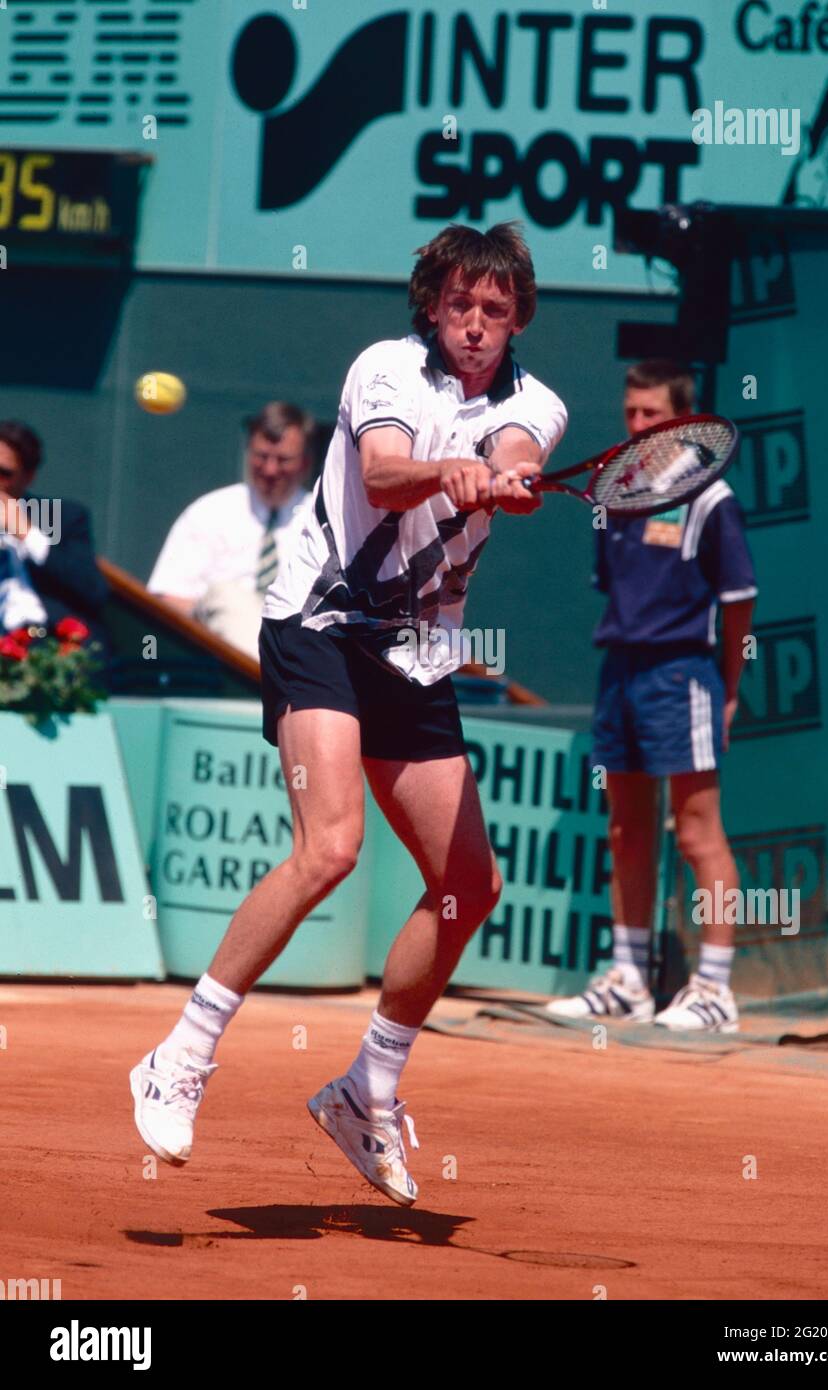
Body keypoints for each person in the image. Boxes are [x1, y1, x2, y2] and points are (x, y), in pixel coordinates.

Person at [130, 222, 568, 1204]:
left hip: (415, 652)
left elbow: (510, 444)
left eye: (494, 311)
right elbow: (381, 469)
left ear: (515, 320)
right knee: (328, 846)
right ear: (430, 305)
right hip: (317, 624)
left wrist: (504, 470)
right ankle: (180, 1054)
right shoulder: (383, 369)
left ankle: (365, 1087)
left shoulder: (537, 403)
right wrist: (444, 472)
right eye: (458, 304)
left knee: (468, 885)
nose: (474, 324)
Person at [547, 360, 756, 1032]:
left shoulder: (711, 500)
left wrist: (726, 689)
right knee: (626, 829)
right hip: (620, 672)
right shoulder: (611, 496)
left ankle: (716, 989)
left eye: (652, 414)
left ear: (683, 419)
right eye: (631, 412)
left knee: (697, 833)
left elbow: (738, 603)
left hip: (681, 675)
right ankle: (630, 980)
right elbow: (615, 589)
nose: (638, 425)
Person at [147, 402, 315, 657]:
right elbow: (167, 597)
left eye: (283, 460)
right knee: (227, 596)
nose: (270, 470)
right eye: (261, 456)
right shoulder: (211, 512)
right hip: (218, 652)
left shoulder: (319, 518)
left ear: (305, 463)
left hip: (299, 642)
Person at [0, 420, 109, 651]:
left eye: (4, 473)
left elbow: (93, 591)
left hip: (48, 646)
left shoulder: (58, 517)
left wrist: (27, 533)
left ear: (28, 477)